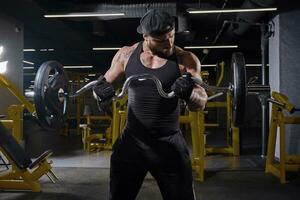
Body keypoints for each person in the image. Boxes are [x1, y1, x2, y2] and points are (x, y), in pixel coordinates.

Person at [93, 9, 208, 200]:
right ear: (145, 36)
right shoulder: (125, 55)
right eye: (161, 40)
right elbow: (102, 86)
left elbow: (201, 102)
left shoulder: (185, 59)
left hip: (169, 143)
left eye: (171, 36)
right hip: (132, 142)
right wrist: (100, 94)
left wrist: (189, 93)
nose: (169, 43)